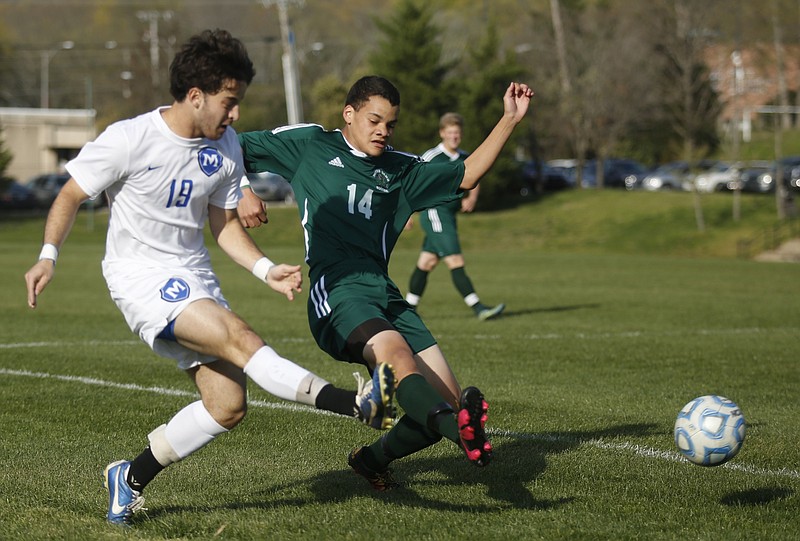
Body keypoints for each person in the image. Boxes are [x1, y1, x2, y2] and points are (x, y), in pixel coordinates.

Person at [23, 30, 393, 526]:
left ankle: (128, 479)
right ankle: (356, 404)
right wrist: (48, 255)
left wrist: (266, 270)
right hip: (140, 277)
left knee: (227, 405)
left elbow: (223, 223)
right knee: (239, 337)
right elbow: (70, 195)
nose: (236, 115)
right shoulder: (130, 139)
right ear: (195, 96)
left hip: (194, 276)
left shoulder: (226, 144)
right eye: (229, 102)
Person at [239, 76, 533, 490]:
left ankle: (372, 459)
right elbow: (224, 146)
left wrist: (509, 121)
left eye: (390, 124)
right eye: (374, 120)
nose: (383, 131)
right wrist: (239, 189)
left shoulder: (401, 169)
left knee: (441, 403)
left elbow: (465, 175)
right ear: (349, 114)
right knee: (398, 359)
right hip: (336, 287)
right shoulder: (311, 145)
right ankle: (464, 435)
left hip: (384, 292)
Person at [405, 112, 505, 320]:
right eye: (450, 132)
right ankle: (479, 308)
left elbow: (477, 175)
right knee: (455, 260)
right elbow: (411, 182)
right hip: (435, 213)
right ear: (442, 133)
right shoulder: (431, 157)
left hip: (449, 216)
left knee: (427, 263)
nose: (454, 137)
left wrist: (472, 197)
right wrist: (406, 212)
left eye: (457, 133)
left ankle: (407, 309)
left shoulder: (464, 156)